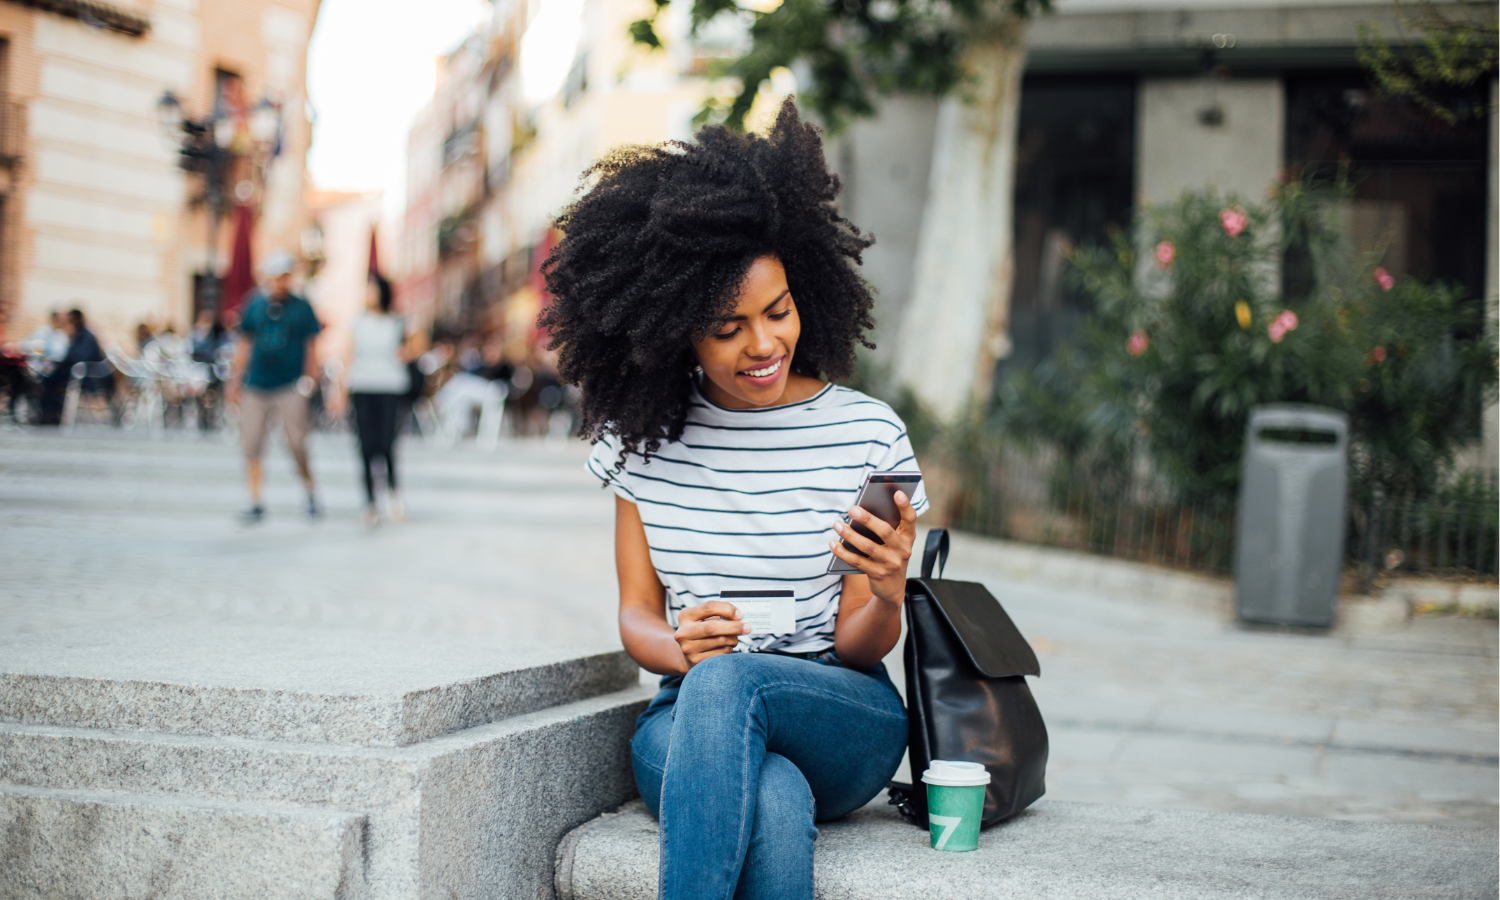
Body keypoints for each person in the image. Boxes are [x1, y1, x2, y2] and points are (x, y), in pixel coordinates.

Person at [538, 98, 929, 900]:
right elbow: (636, 616)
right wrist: (684, 648)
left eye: (778, 312)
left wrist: (888, 590)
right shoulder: (644, 439)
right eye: (728, 327)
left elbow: (861, 646)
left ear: (804, 296)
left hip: (841, 708)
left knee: (732, 687)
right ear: (677, 328)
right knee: (773, 795)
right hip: (687, 718)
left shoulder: (865, 432)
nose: (764, 344)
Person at [226, 250, 323, 523]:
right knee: (252, 442)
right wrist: (234, 382)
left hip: (289, 383)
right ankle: (255, 499)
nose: (281, 282)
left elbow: (311, 346)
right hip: (256, 384)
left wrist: (310, 378)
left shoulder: (302, 306)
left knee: (296, 442)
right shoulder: (254, 305)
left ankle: (310, 491)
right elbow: (244, 344)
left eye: (285, 276)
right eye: (277, 277)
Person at [330, 273, 426, 527]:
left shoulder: (397, 322)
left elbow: (420, 345)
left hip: (391, 388)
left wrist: (406, 352)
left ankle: (394, 496)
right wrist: (339, 390)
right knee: (365, 445)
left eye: (372, 289)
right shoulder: (358, 323)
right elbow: (348, 356)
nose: (368, 294)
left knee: (387, 444)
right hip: (361, 387)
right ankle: (370, 502)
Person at [40, 308, 107, 424]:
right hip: (77, 372)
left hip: (87, 376)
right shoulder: (79, 335)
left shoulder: (87, 337)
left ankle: (50, 414)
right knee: (49, 377)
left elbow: (79, 357)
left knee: (51, 380)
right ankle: (51, 413)